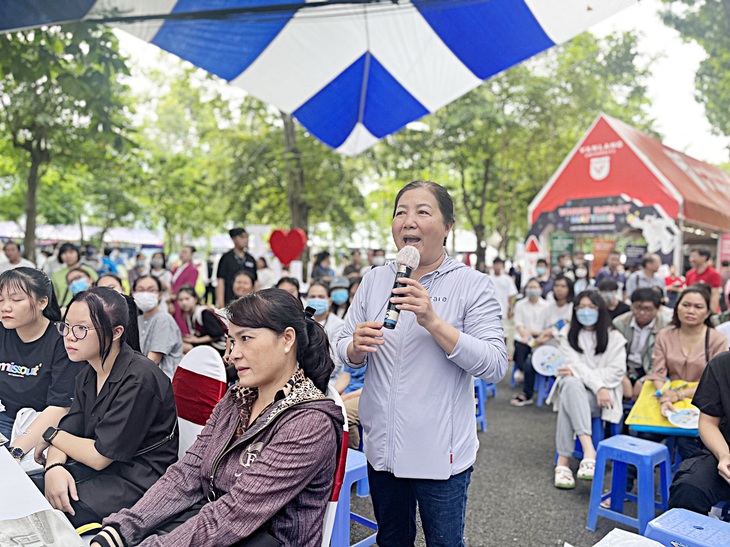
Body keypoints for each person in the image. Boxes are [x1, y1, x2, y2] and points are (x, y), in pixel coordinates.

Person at [90, 289, 344, 547]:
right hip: (213, 524)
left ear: (287, 339)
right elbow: (186, 473)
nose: (232, 354)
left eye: (246, 338)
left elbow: (235, 513)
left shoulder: (309, 423)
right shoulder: (238, 397)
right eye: (231, 341)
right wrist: (120, 531)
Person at [337, 181, 508, 546]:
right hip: (382, 448)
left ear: (448, 226)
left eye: (422, 212)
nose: (408, 221)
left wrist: (433, 321)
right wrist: (354, 348)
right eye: (401, 212)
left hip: (440, 455)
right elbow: (340, 343)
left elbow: (495, 364)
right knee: (392, 539)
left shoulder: (472, 284)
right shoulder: (375, 279)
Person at [33, 287, 178, 528]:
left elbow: (100, 455)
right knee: (27, 487)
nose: (69, 336)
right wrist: (55, 466)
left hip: (134, 483)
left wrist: (50, 436)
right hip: (96, 470)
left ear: (117, 332)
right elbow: (71, 426)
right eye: (66, 326)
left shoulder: (140, 378)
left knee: (43, 513)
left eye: (81, 329)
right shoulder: (89, 369)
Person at [0, 268, 79, 462]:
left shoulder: (63, 339)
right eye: (0, 299)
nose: (5, 307)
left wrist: (16, 450)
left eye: (16, 300)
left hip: (39, 428)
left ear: (42, 302)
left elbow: (60, 407)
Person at [552, 291, 626, 489]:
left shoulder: (614, 337)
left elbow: (616, 372)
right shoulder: (567, 333)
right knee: (569, 384)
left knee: (571, 386)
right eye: (581, 307)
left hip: (603, 398)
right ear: (574, 310)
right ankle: (589, 450)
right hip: (586, 391)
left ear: (600, 310)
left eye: (591, 307)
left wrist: (594, 384)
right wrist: (597, 383)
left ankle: (563, 463)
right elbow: (571, 364)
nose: (586, 312)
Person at [647, 285, 727, 459]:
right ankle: (629, 486)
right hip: (667, 402)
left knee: (689, 445)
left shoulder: (717, 339)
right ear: (677, 308)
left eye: (698, 307)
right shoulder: (664, 335)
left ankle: (683, 484)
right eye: (686, 305)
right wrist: (664, 396)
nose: (691, 311)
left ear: (707, 313)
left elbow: (718, 383)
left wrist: (679, 395)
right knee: (643, 437)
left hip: (702, 407)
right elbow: (658, 373)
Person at [668, 351, 730, 514]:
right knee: (688, 489)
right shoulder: (722, 364)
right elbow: (708, 422)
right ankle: (683, 538)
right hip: (724, 448)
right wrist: (724, 455)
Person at [511, 275, 573, 407]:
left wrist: (549, 333)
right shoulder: (548, 308)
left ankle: (562, 395)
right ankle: (527, 394)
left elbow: (568, 329)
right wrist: (544, 335)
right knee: (529, 362)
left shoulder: (573, 308)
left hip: (566, 348)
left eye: (563, 286)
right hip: (546, 346)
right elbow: (538, 328)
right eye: (556, 286)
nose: (559, 289)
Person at [612, 288, 667, 402]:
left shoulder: (665, 328)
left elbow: (665, 361)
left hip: (651, 371)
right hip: (623, 368)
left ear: (657, 309)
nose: (642, 313)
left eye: (647, 309)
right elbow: (612, 354)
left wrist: (646, 379)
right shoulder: (619, 323)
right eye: (638, 308)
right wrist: (622, 376)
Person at [132, 275, 183, 380]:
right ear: (133, 294)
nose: (145, 294)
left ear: (160, 295)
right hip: (142, 379)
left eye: (151, 290)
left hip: (160, 383)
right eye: (141, 290)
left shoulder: (163, 319)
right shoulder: (138, 320)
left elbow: (153, 360)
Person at [510, 278, 550, 402]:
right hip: (524, 336)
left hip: (541, 338)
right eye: (530, 287)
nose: (533, 290)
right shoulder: (520, 304)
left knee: (532, 355)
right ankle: (522, 370)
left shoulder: (547, 306)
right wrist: (525, 335)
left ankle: (523, 372)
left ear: (541, 290)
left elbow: (548, 327)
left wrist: (539, 337)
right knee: (521, 346)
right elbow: (518, 323)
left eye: (535, 287)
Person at [305, 281, 346, 385]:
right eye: (312, 296)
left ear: (330, 301)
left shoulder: (339, 325)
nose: (316, 300)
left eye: (321, 296)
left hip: (328, 381)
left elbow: (335, 363)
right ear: (306, 300)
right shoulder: (301, 322)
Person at [176, 285, 226, 356]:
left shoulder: (204, 312)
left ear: (195, 299)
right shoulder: (189, 315)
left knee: (183, 347)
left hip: (219, 348)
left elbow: (218, 333)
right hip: (206, 346)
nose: (184, 303)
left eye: (187, 299)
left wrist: (196, 340)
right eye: (181, 300)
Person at [216, 227, 257, 308]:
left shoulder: (250, 259)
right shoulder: (226, 258)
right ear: (234, 239)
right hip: (229, 300)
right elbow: (220, 281)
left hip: (248, 302)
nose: (245, 240)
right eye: (242, 237)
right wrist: (220, 303)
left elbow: (255, 282)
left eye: (246, 237)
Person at [51, 243, 98, 307]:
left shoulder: (88, 270)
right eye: (64, 253)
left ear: (77, 253)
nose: (68, 255)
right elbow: (55, 296)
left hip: (89, 306)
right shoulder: (56, 275)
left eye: (71, 252)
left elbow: (98, 288)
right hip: (65, 309)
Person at [171, 246, 199, 335]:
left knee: (182, 325)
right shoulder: (177, 268)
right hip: (173, 301)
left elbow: (188, 288)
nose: (182, 254)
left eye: (185, 252)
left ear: (191, 255)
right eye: (181, 252)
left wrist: (174, 297)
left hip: (181, 301)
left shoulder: (192, 270)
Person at [685, 246, 723, 313]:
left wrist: (711, 312)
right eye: (690, 256)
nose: (691, 259)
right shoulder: (689, 274)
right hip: (693, 310)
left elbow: (715, 295)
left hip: (707, 310)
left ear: (704, 257)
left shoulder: (713, 274)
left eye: (694, 256)